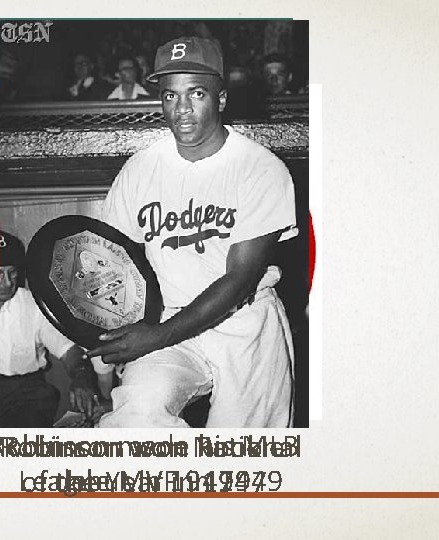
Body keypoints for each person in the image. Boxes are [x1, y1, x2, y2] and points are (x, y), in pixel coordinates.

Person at [91, 36, 298, 428]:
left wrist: (154, 337)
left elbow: (238, 280)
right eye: (170, 96)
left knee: (246, 464)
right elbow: (111, 261)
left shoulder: (260, 168)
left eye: (196, 93)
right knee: (136, 417)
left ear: (220, 99)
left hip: (245, 325)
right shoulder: (139, 170)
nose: (181, 110)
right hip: (166, 320)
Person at [0, 230, 98, 428]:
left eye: (12, 273)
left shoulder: (32, 305)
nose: (8, 283)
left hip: (26, 393)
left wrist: (81, 376)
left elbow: (69, 351)